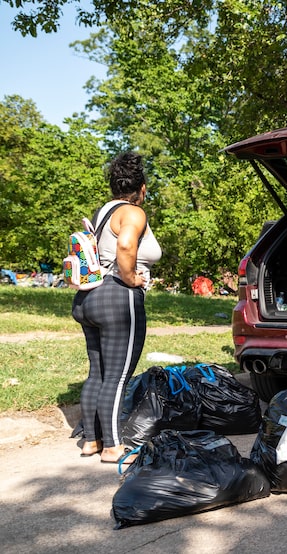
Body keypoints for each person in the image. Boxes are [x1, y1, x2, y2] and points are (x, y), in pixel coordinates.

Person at [72, 152, 162, 464]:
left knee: (97, 372)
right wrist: (131, 277)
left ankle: (91, 441)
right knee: (118, 375)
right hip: (117, 297)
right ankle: (112, 447)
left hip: (89, 297)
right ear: (143, 189)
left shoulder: (104, 210)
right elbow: (125, 246)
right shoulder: (133, 213)